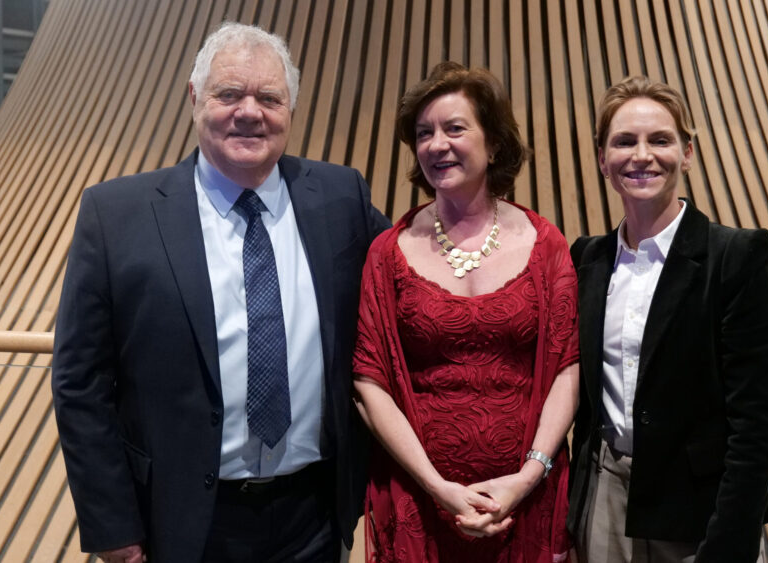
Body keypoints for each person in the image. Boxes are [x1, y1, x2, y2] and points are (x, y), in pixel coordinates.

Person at [51, 22, 389, 563]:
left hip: (314, 517)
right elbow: (79, 384)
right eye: (229, 94)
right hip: (179, 524)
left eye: (269, 97)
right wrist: (113, 527)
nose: (250, 112)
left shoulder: (340, 197)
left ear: (291, 109)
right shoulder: (116, 215)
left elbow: (413, 275)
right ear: (194, 97)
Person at [352, 61, 579, 562]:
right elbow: (371, 383)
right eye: (424, 133)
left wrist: (526, 477)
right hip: (421, 503)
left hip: (526, 501)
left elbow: (567, 367)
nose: (437, 144)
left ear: (493, 142)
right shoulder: (386, 252)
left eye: (455, 128)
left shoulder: (547, 245)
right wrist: (437, 487)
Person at [566, 76, 768, 562]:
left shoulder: (737, 257)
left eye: (660, 140)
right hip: (605, 501)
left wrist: (728, 542)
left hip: (698, 515)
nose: (641, 155)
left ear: (687, 152)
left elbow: (756, 427)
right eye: (624, 141)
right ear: (603, 159)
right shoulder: (588, 260)